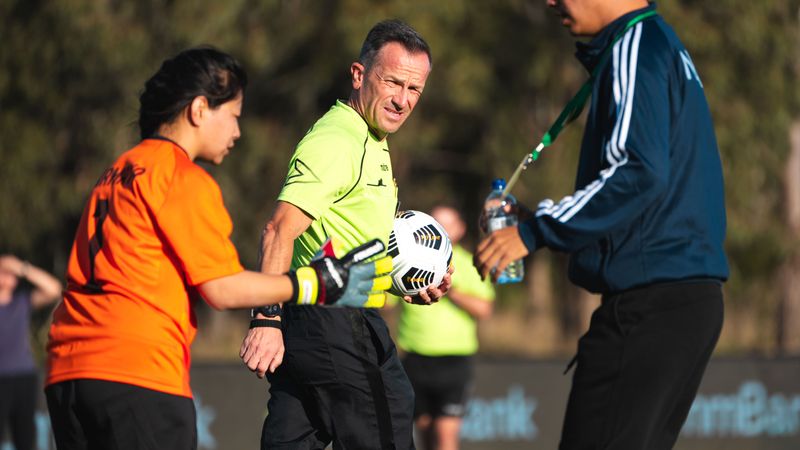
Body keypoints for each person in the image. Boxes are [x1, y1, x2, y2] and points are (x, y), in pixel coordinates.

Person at [44, 47, 392, 450]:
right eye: (233, 116)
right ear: (198, 110)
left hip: (66, 369)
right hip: (136, 372)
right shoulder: (179, 175)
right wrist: (316, 283)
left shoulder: (116, 170)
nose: (237, 132)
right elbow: (222, 289)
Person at [475, 1, 729, 449]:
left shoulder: (636, 44)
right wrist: (533, 219)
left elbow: (637, 171)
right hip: (682, 301)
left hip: (652, 306)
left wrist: (535, 232)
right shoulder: (659, 44)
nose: (550, 1)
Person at [239, 19, 451, 450]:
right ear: (358, 75)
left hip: (319, 324)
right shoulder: (338, 139)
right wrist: (266, 319)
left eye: (414, 90)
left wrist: (407, 280)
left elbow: (349, 235)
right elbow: (278, 229)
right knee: (388, 425)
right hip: (334, 321)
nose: (402, 100)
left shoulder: (373, 139)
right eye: (392, 82)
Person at [397, 206, 494, 450]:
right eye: (436, 222)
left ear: (460, 229)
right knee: (425, 432)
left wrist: (449, 292)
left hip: (454, 360)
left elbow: (484, 308)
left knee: (446, 434)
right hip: (416, 356)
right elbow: (386, 300)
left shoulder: (467, 263)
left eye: (447, 224)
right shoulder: (407, 258)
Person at [0, 255, 62, 450]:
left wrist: (21, 267)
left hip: (23, 378)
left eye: (10, 274)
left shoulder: (22, 301)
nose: (7, 277)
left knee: (25, 439)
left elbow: (53, 289)